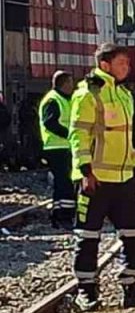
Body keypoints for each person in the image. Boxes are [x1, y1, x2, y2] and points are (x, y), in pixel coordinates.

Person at [70, 43, 135, 310]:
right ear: (104, 64)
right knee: (88, 237)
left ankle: (132, 288)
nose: (127, 68)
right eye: (121, 63)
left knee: (133, 234)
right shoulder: (89, 94)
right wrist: (85, 171)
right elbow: (79, 135)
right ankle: (86, 291)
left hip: (123, 178)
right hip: (95, 179)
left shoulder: (124, 94)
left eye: (127, 64)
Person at [39, 71, 77, 227]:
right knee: (64, 183)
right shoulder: (53, 100)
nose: (72, 86)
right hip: (56, 147)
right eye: (70, 82)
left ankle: (61, 215)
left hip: (64, 146)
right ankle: (62, 217)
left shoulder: (64, 99)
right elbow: (50, 123)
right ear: (64, 84)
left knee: (65, 182)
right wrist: (70, 134)